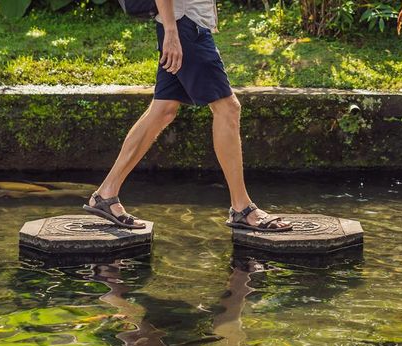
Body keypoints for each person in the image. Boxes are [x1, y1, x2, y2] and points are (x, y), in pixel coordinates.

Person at [83, 0, 291, 232]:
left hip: (183, 25)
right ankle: (242, 209)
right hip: (185, 27)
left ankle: (106, 194)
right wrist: (172, 32)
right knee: (228, 108)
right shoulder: (180, 28)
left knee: (163, 110)